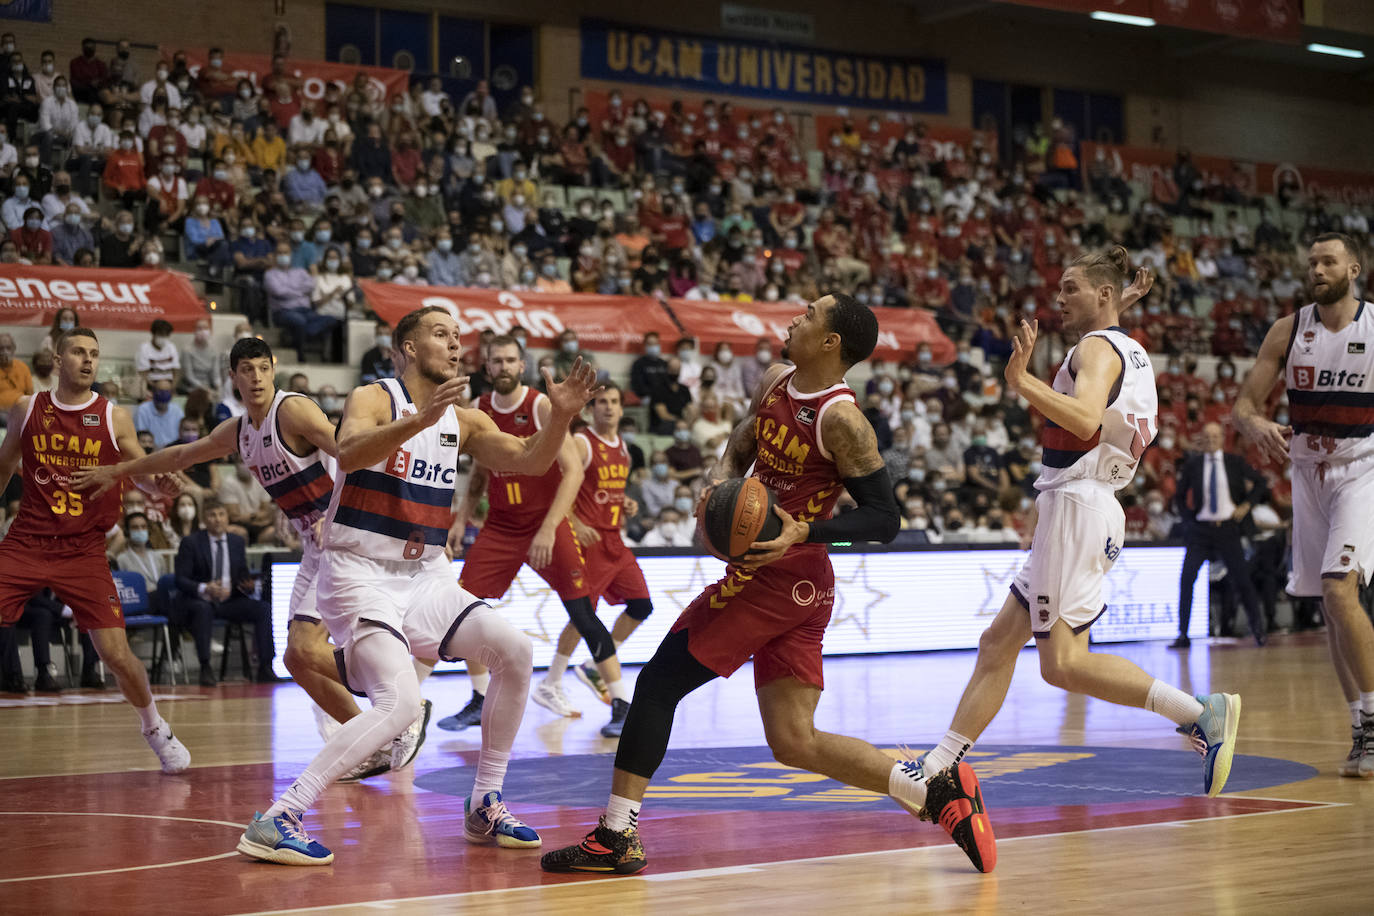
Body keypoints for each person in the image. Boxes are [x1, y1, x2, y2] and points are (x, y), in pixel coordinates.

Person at [540, 294, 942, 878]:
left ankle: (616, 836)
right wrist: (721, 480)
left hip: (779, 579)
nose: (794, 319)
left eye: (809, 316)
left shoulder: (841, 419)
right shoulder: (778, 379)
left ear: (831, 343)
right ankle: (930, 796)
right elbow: (748, 436)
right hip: (797, 585)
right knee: (793, 740)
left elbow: (883, 523)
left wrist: (806, 530)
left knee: (655, 685)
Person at [906, 250, 1241, 870]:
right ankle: (938, 766)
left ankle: (1200, 714)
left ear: (1104, 295)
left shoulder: (1096, 350)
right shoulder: (1120, 345)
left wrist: (1021, 381)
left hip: (1078, 505)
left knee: (1061, 664)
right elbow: (1106, 366)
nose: (1058, 298)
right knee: (998, 641)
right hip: (1081, 504)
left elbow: (1085, 417)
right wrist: (1118, 305)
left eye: (1071, 289)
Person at [234, 306, 598, 865]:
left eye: (458, 337)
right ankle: (279, 816)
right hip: (358, 571)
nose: (456, 346)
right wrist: (418, 420)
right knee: (402, 703)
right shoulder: (374, 398)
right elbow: (350, 452)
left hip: (424, 574)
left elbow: (529, 460)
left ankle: (485, 803)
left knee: (517, 651)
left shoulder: (467, 420)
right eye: (441, 335)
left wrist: (559, 421)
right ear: (405, 347)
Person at [76, 336, 430, 772]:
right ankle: (372, 740)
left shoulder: (293, 409)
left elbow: (350, 450)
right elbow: (184, 453)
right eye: (247, 370)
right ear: (234, 377)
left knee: (311, 650)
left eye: (263, 367)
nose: (257, 377)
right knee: (297, 658)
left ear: (273, 368)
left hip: (345, 539)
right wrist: (120, 470)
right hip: (315, 546)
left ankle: (402, 705)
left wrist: (345, 510)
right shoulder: (240, 431)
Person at [0, 327, 190, 773]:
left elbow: (139, 468)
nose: (88, 361)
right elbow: (6, 463)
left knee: (116, 654)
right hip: (26, 540)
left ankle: (156, 729)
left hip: (83, 549)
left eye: (94, 355)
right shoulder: (27, 409)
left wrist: (157, 483)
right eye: (79, 352)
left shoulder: (113, 416)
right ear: (57, 359)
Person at [436, 336, 633, 738]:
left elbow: (573, 471)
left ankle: (620, 702)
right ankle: (478, 698)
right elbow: (478, 470)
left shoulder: (541, 405)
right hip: (502, 525)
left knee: (582, 613)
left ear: (521, 365)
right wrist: (461, 517)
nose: (504, 366)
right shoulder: (479, 409)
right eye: (496, 361)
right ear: (487, 368)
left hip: (547, 523)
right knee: (464, 607)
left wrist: (549, 528)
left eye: (511, 360)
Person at [1234, 232, 1374, 778]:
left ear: (1354, 269)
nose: (1317, 268)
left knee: (1341, 592)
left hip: (1361, 468)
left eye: (1328, 261)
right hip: (1307, 472)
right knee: (1327, 606)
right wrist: (1255, 422)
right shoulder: (1289, 329)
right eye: (1311, 261)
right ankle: (1360, 727)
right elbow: (1244, 405)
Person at [556, 383, 653, 706]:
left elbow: (604, 488)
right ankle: (553, 680)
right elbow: (559, 486)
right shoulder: (582, 443)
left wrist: (624, 501)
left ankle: (592, 666)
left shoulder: (623, 448)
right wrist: (577, 523)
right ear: (590, 409)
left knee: (642, 605)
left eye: (614, 401)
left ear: (622, 409)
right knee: (585, 614)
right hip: (590, 541)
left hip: (614, 540)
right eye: (601, 402)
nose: (609, 407)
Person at [1171, 422, 1269, 647]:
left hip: (1228, 529)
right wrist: (1188, 520)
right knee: (1186, 579)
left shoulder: (1234, 462)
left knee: (1243, 581)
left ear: (1222, 438)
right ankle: (1183, 634)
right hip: (1200, 531)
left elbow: (1261, 483)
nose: (1211, 440)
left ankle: (1258, 630)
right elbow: (1178, 496)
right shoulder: (1193, 464)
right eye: (1207, 436)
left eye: (1215, 436)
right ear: (1202, 439)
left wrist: (1245, 506)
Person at [0, 332, 32, 410]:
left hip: (21, 410)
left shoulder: (23, 367)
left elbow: (30, 394)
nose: (5, 352)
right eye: (1, 348)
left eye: (8, 348)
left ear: (14, 349)